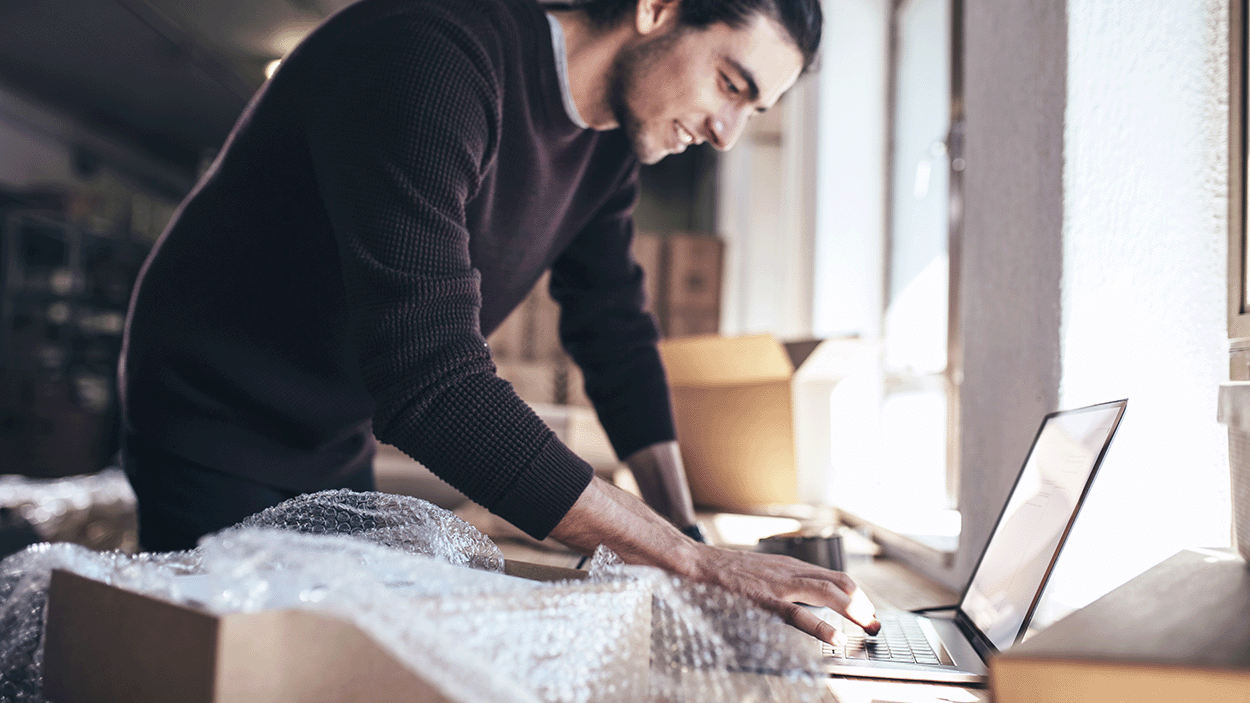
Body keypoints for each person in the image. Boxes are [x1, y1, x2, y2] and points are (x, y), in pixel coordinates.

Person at [119, 0, 881, 643]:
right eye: (730, 84)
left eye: (754, 111)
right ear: (657, 9)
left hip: (331, 425)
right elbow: (434, 388)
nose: (727, 133)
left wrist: (685, 532)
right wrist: (697, 565)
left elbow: (613, 329)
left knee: (326, 653)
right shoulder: (432, 56)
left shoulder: (610, 141)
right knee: (231, 667)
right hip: (214, 409)